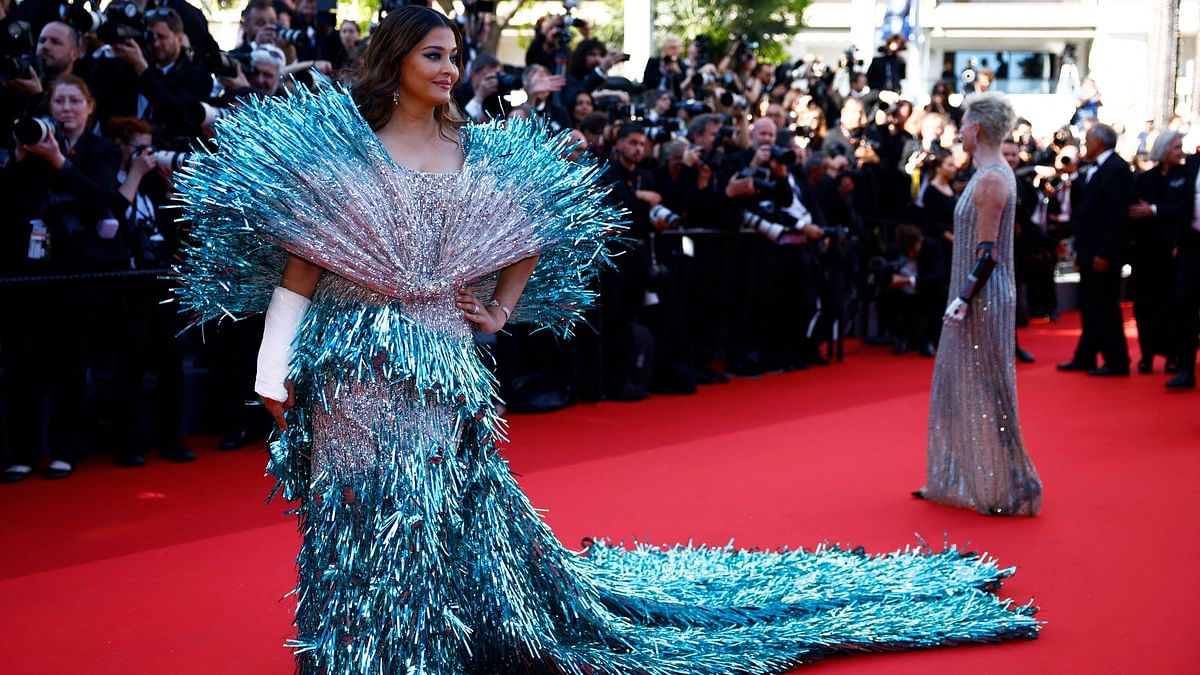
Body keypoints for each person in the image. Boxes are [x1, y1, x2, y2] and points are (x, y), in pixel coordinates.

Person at [175, 7, 1039, 671]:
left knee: (431, 504)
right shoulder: (345, 154)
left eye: (454, 56)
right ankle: (356, 643)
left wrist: (501, 308)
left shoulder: (475, 152)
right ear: (396, 57)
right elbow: (297, 271)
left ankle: (425, 644)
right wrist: (272, 374)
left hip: (441, 357)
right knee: (354, 505)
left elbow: (532, 234)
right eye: (433, 54)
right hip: (355, 362)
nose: (447, 68)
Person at [918, 91, 1043, 516]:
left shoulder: (992, 178)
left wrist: (964, 299)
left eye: (965, 123)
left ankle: (1014, 484)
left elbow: (987, 253)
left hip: (982, 298)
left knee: (988, 390)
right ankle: (960, 479)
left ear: (978, 129)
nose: (960, 131)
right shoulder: (988, 173)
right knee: (962, 386)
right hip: (976, 295)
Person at [1, 76, 120, 481]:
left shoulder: (102, 149)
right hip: (32, 271)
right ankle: (23, 450)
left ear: (89, 106)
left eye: (73, 101)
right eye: (58, 101)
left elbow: (103, 198)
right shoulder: (32, 143)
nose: (65, 109)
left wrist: (59, 164)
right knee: (24, 361)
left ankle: (66, 448)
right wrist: (19, 160)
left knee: (73, 361)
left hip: (79, 268)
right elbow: (8, 202)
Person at [1057, 124, 1133, 376]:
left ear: (1100, 142)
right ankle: (1086, 355)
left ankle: (1117, 361)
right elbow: (1085, 212)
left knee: (1106, 307)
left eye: (1088, 139)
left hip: (1103, 253)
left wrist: (1104, 254)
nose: (1084, 144)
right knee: (1089, 305)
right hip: (1089, 250)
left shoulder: (1117, 169)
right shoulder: (1094, 168)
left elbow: (1116, 217)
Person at [1128, 131, 1187, 374]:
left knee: (1172, 305)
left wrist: (1154, 210)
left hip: (1173, 254)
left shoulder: (1186, 177)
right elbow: (1132, 210)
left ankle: (1173, 354)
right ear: (1163, 150)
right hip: (1145, 253)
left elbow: (1185, 209)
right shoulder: (1144, 179)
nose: (1181, 151)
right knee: (1144, 305)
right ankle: (1147, 354)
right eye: (1176, 147)